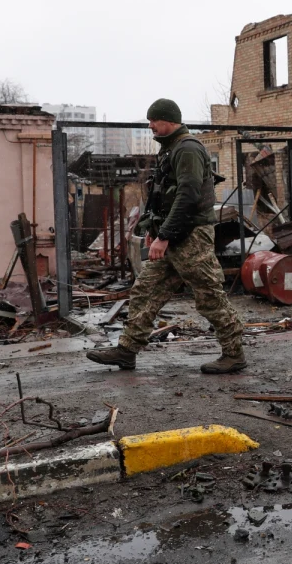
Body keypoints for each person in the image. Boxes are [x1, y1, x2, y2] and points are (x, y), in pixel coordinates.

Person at [86, 99, 247, 373]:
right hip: (171, 236)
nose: (150, 126)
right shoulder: (170, 150)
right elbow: (160, 197)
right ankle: (127, 351)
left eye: (153, 121)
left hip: (192, 237)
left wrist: (165, 236)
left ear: (168, 120)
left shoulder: (188, 149)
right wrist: (154, 231)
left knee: (209, 296)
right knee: (145, 291)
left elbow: (188, 196)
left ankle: (234, 354)